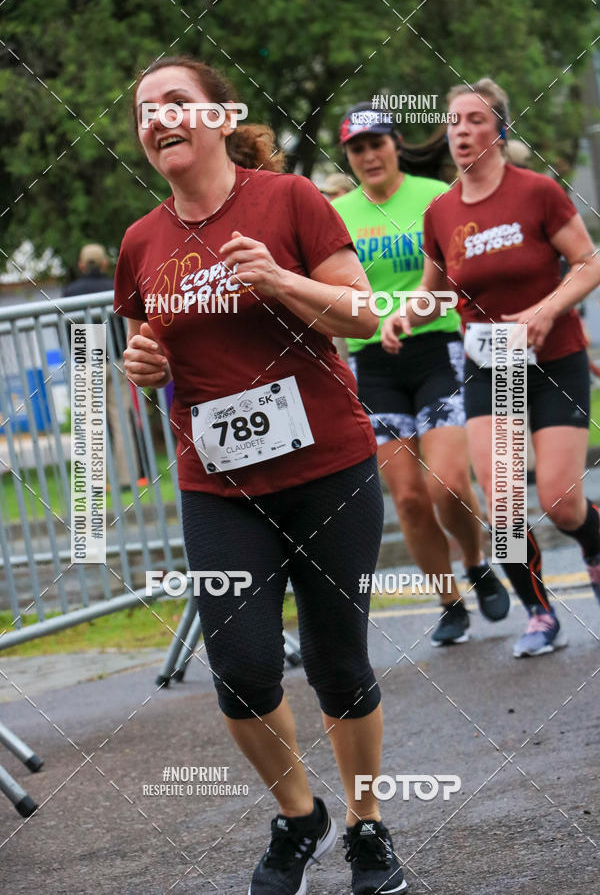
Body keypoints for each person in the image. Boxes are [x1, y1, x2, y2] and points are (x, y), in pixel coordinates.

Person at [115, 56, 407, 895]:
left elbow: (361, 311)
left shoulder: (288, 202)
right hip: (219, 483)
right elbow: (145, 350)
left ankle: (365, 825)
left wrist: (277, 278)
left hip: (327, 467)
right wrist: (140, 364)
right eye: (144, 111)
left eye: (176, 102)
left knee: (336, 661)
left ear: (218, 116)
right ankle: (297, 815)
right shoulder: (142, 242)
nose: (158, 118)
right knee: (240, 667)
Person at [382, 77, 600, 657]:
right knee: (502, 503)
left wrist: (547, 310)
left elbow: (586, 262)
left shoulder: (538, 193)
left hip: (555, 355)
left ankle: (595, 546)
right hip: (489, 365)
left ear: (500, 130)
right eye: (453, 122)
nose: (461, 132)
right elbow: (434, 290)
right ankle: (540, 614)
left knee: (559, 500)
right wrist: (404, 315)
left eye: (475, 120)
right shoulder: (441, 212)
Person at [333, 102, 509, 647]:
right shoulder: (337, 213)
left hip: (438, 350)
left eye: (377, 142)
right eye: (357, 148)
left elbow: (461, 271)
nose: (369, 155)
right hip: (373, 363)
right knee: (407, 498)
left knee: (448, 483)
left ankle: (476, 562)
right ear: (348, 156)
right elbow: (331, 289)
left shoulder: (434, 195)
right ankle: (448, 601)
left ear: (396, 143)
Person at [63, 244, 141, 491]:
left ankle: (94, 483)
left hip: (88, 362)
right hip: (116, 358)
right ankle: (128, 479)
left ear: (81, 266)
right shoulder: (114, 286)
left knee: (90, 424)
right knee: (121, 421)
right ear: (106, 264)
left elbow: (67, 329)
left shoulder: (69, 292)